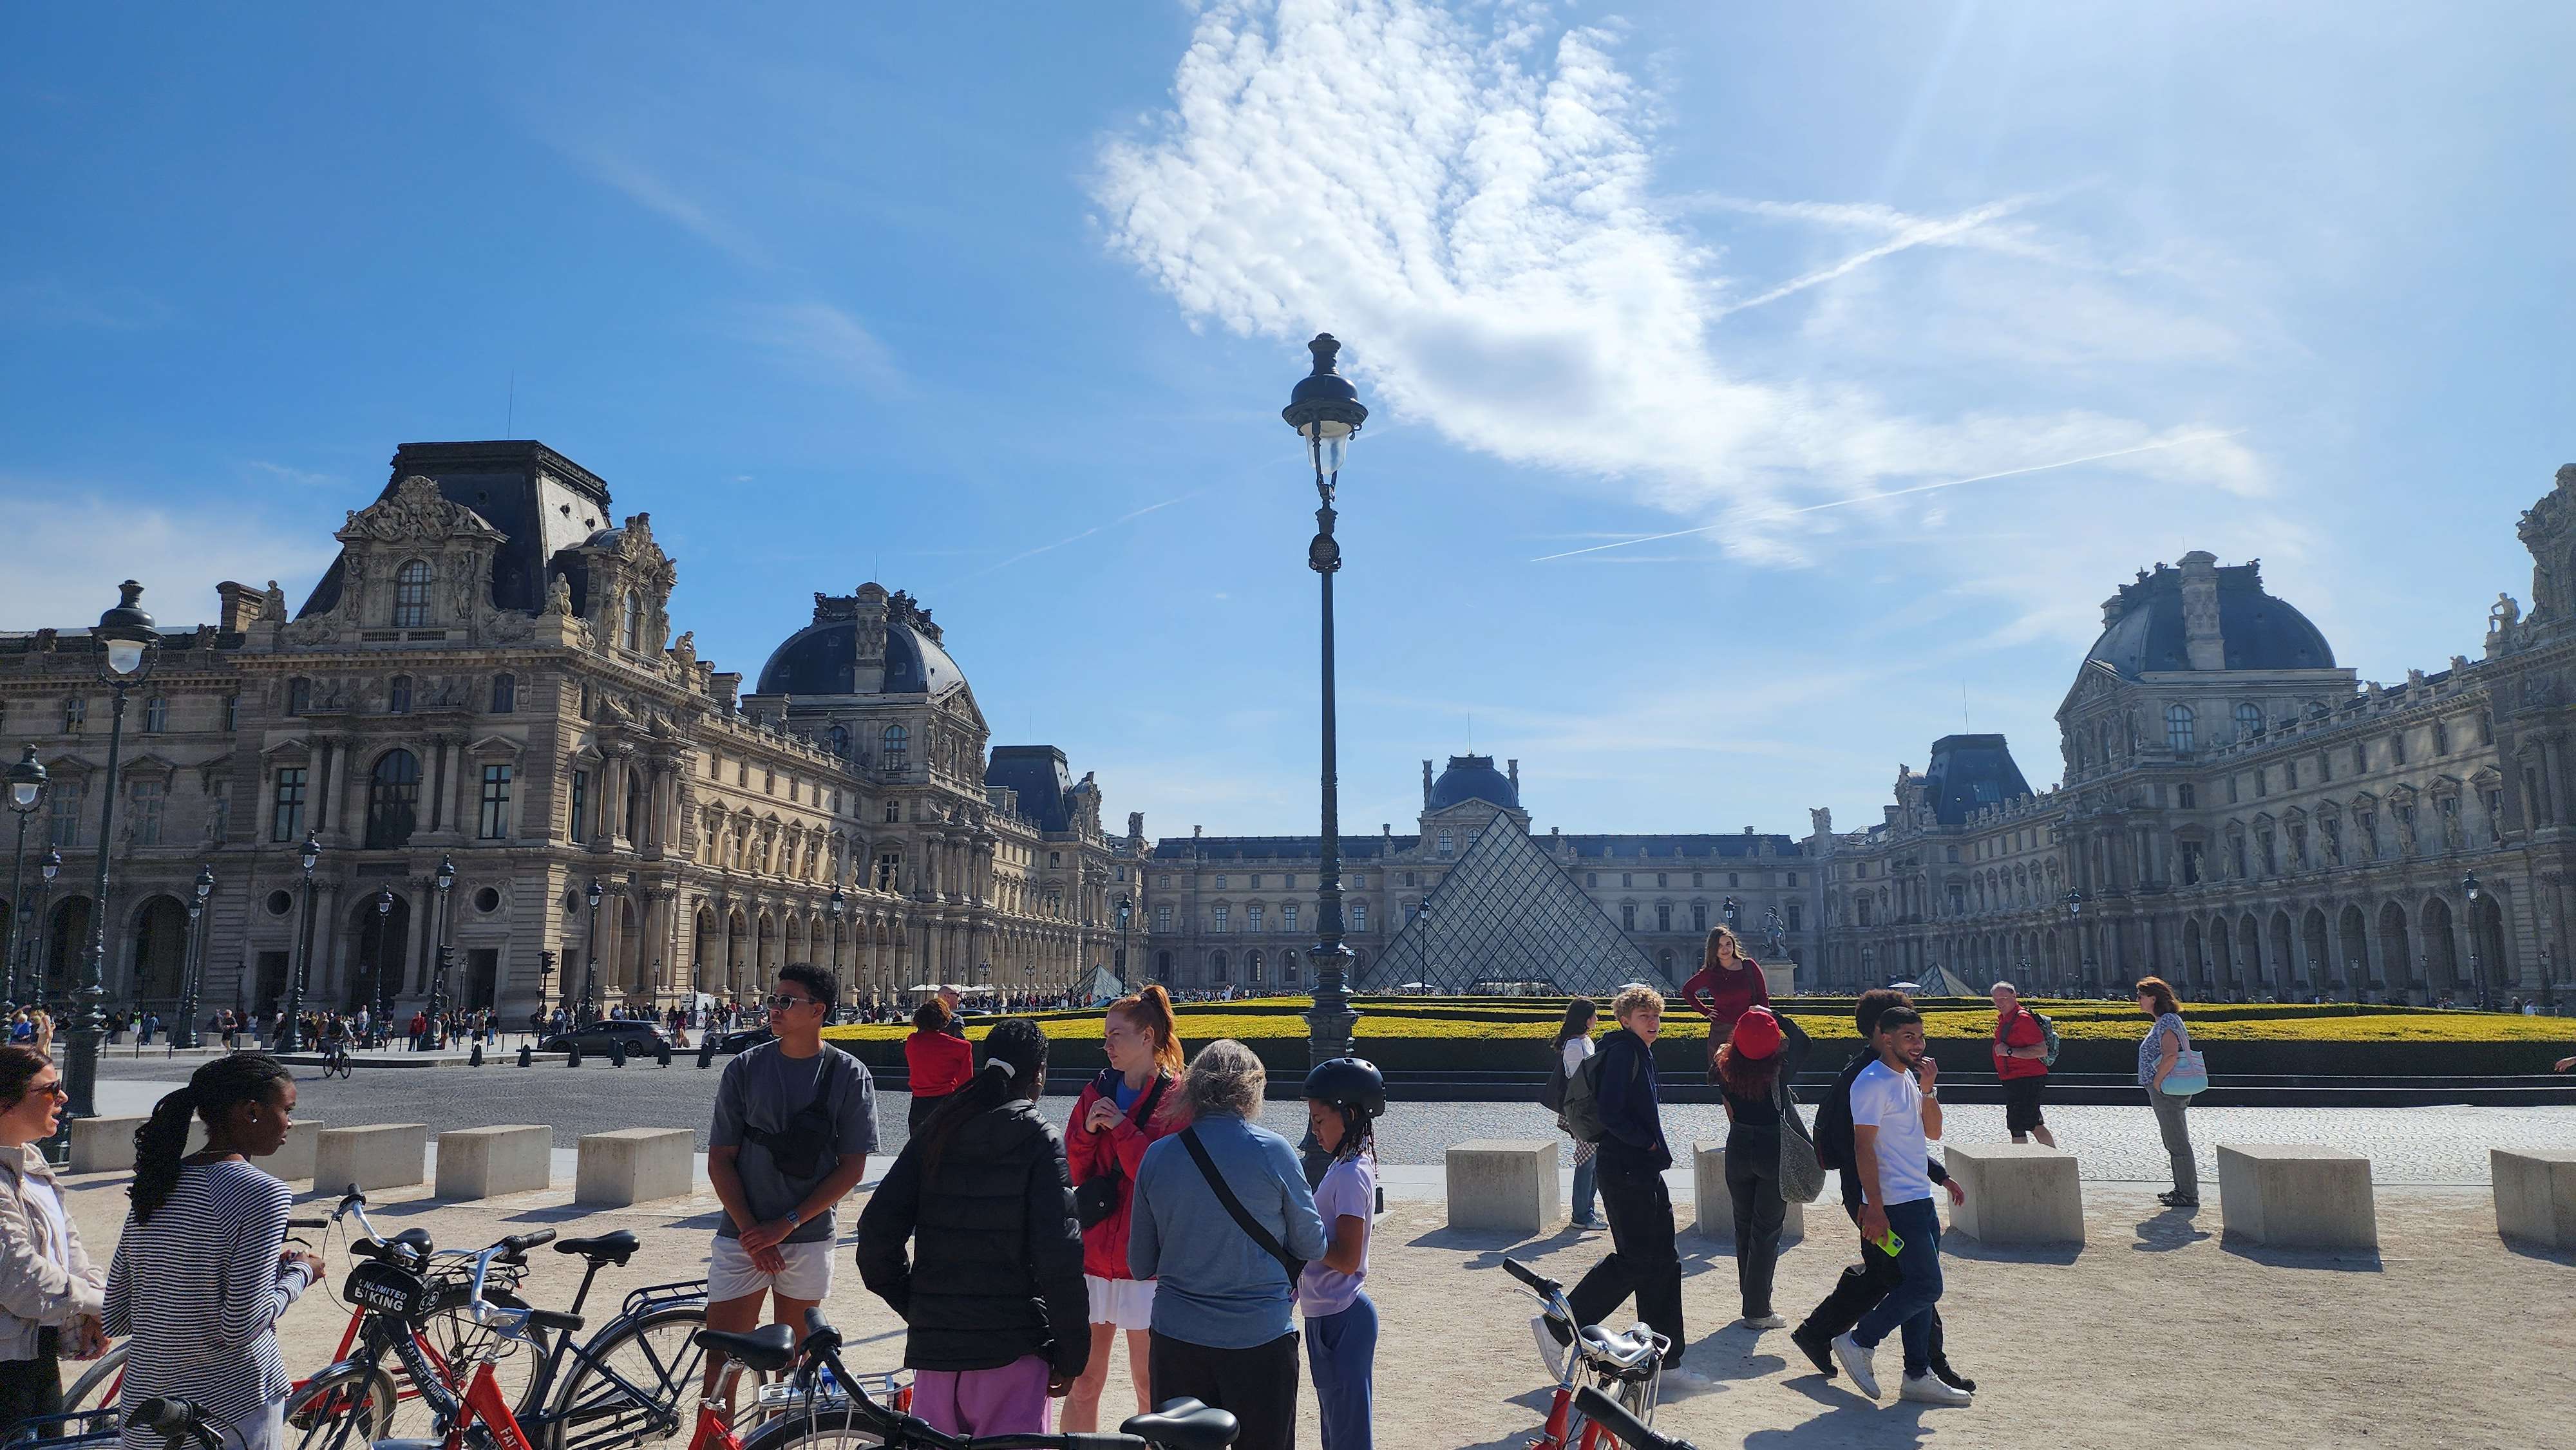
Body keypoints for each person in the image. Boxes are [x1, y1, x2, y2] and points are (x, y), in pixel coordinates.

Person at [857, 1018, 1086, 1437]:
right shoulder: (1038, 1138)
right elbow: (1060, 1259)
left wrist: (922, 1309)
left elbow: (874, 1235)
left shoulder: (940, 1127)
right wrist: (1072, 1354)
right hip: (1012, 1350)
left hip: (938, 1356)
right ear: (1039, 1074)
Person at [103, 1053, 322, 1450]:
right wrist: (299, 1275)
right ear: (252, 1112)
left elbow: (117, 1314)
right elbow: (240, 1327)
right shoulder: (263, 1193)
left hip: (146, 1408)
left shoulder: (158, 1181)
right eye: (287, 1110)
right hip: (228, 1410)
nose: (290, 1122)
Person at [1129, 1039, 1326, 1450]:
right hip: (1260, 1336)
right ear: (1253, 1090)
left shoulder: (1157, 1156)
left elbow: (1139, 1263)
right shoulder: (1274, 1151)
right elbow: (1312, 1243)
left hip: (1178, 1338)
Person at [704, 964, 878, 1395]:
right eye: (773, 999)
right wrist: (752, 1232)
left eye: (786, 1001)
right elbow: (719, 1159)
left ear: (818, 1010)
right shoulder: (743, 1069)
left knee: (796, 1373)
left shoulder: (850, 1074)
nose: (773, 1008)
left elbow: (852, 1168)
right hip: (742, 1239)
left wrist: (786, 1224)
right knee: (721, 1372)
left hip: (808, 1236)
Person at [1792, 990, 1971, 1395]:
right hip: (1883, 1201)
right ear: (1882, 1033)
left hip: (1909, 1197)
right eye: (1907, 1034)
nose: (1917, 1043)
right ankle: (1859, 1343)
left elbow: (1919, 1135)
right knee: (1914, 1283)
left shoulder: (1906, 1076)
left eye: (1919, 1034)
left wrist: (1939, 1174)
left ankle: (1918, 1370)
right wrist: (1867, 1207)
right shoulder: (1865, 1079)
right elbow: (1858, 1147)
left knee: (1898, 1279)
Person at [1061, 985, 1184, 1431]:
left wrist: (1119, 1129)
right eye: (1106, 1034)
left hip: (1144, 1261)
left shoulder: (1177, 1100)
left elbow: (1159, 1179)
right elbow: (1076, 1170)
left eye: (1116, 1034)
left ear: (1148, 1036)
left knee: (1149, 1383)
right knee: (1083, 1380)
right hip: (1095, 1256)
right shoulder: (1096, 1091)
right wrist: (1090, 1132)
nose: (1107, 1043)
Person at [1558, 986, 1691, 1380]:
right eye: (1644, 1016)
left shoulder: (1638, 1052)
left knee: (1665, 1261)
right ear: (1625, 1019)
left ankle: (1665, 1360)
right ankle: (1560, 1324)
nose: (1653, 1022)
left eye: (1656, 1015)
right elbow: (1611, 1114)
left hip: (1643, 1167)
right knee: (1637, 1258)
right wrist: (1646, 1140)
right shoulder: (1623, 1054)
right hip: (1627, 1168)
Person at [0, 1046, 106, 1436]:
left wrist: (93, 1306)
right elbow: (20, 1278)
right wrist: (105, 1303)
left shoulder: (29, 1159)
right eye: (50, 1089)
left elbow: (68, 1243)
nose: (63, 1097)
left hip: (32, 1352)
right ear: (6, 1101)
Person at [1300, 1059, 1383, 1450]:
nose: (1313, 1130)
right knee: (1334, 1431)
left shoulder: (1350, 1174)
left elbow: (1347, 1258)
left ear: (1348, 1114)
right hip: (1327, 1313)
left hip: (1342, 1315)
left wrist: (1303, 1237)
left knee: (1347, 1435)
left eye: (1319, 1119)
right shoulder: (1344, 1166)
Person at [1715, 1006, 1790, 1330]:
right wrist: (1775, 1016)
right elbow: (1805, 1042)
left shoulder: (1724, 1066)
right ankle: (1758, 1310)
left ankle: (1751, 1297)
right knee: (1766, 1232)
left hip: (1739, 1145)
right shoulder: (1781, 1067)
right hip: (1772, 1146)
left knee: (1743, 1225)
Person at [2137, 977, 2199, 1208]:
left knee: (2177, 1142)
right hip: (2167, 1088)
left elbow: (2171, 1055)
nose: (2138, 1001)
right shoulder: (2165, 1021)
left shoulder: (2168, 1021)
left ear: (2153, 998)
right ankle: (2182, 1189)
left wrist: (2157, 1082)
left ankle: (2188, 1194)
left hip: (2168, 1089)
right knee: (2174, 1141)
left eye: (2141, 996)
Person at [1680, 926, 1770, 1082]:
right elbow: (1687, 991)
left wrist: (1766, 1020)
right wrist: (1705, 1011)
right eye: (1720, 946)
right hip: (1722, 1030)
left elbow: (1763, 996)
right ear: (1713, 949)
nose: (1725, 949)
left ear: (1734, 945)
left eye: (1728, 944)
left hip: (1750, 1027)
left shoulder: (1749, 966)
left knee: (1752, 1078)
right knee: (1725, 1081)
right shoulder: (1710, 973)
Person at [1551, 998, 1600, 1230]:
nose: (1597, 1019)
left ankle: (1587, 1208)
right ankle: (1581, 1215)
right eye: (1595, 1015)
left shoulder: (1584, 1041)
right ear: (1585, 1019)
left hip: (1592, 1108)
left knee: (1594, 1162)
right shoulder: (1574, 1045)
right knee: (1587, 1162)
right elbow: (1578, 1080)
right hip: (1583, 1110)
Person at [1990, 982, 2056, 1148]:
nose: (1999, 1003)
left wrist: (2009, 1052)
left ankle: (2023, 1162)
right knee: (2033, 1123)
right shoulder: (2007, 1018)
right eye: (1996, 999)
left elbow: (2041, 1050)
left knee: (2019, 1125)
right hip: (2016, 1079)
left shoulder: (2022, 1019)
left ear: (2014, 996)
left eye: (2003, 998)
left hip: (2026, 1078)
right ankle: (2052, 1159)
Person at [904, 999, 976, 1131]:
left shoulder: (912, 1041)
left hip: (918, 1105)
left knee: (918, 1150)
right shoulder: (962, 1047)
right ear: (945, 1021)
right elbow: (965, 1084)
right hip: (946, 1104)